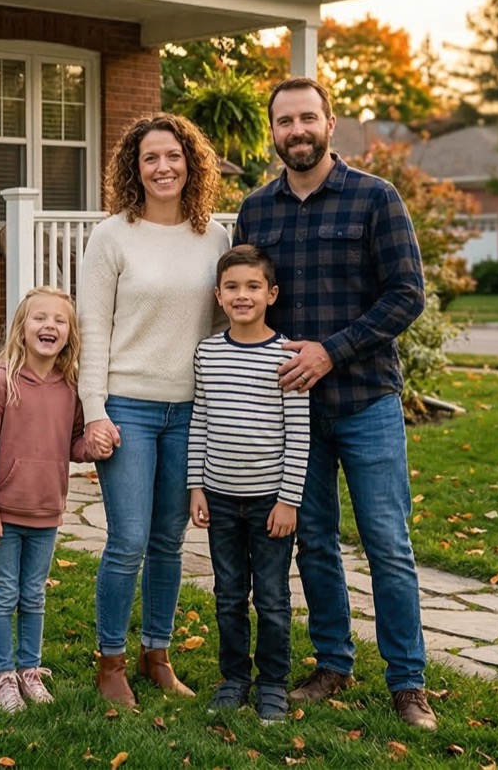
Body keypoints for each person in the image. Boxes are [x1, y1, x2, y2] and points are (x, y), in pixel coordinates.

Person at [235, 76, 434, 730]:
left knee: (387, 542)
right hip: (295, 413)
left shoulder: (375, 198)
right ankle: (332, 663)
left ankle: (408, 683)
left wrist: (333, 350)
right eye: (284, 121)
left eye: (306, 118)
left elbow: (406, 294)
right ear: (274, 131)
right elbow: (247, 300)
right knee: (314, 541)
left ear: (329, 122)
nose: (296, 130)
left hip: (366, 399)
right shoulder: (256, 211)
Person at [78, 112, 230, 706]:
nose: (163, 167)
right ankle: (110, 661)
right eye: (150, 158)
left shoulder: (214, 237)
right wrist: (95, 411)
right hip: (128, 409)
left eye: (173, 156)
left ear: (190, 163)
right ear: (133, 169)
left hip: (190, 413)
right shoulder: (111, 236)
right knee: (128, 539)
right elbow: (93, 328)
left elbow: (220, 330)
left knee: (169, 541)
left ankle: (156, 655)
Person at [187, 245, 310, 724]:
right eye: (233, 287)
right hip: (219, 498)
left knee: (274, 598)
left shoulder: (287, 356)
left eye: (253, 287)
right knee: (229, 594)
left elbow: (298, 435)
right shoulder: (207, 353)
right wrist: (196, 487)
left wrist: (288, 500)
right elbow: (200, 421)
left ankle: (273, 683)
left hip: (269, 505)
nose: (243, 296)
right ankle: (235, 678)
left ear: (271, 294)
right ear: (218, 296)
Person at [0, 286, 97, 712]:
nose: (50, 326)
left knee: (34, 594)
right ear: (21, 329)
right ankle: (3, 675)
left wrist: (93, 448)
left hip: (47, 511)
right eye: (40, 318)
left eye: (60, 320)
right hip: (4, 514)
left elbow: (73, 443)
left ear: (70, 333)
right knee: (3, 594)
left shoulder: (70, 387)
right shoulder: (1, 382)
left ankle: (30, 670)